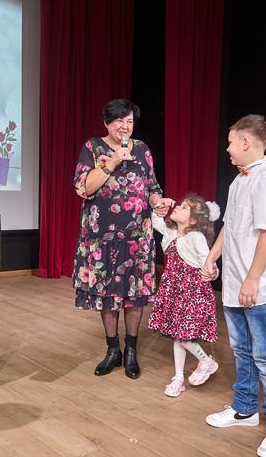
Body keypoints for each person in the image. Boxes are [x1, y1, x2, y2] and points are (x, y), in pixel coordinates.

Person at [201, 114, 266, 457]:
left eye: (230, 142)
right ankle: (244, 409)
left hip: (260, 287)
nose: (227, 148)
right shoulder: (239, 181)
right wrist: (212, 257)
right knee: (242, 351)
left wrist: (252, 279)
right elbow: (229, 226)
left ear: (245, 142)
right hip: (235, 283)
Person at [72, 99, 167, 379]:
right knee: (108, 293)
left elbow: (152, 186)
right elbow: (82, 188)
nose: (124, 126)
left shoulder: (142, 149)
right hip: (102, 237)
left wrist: (157, 202)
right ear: (106, 123)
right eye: (119, 121)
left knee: (134, 293)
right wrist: (112, 161)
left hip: (138, 236)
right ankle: (113, 350)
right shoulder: (93, 147)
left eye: (129, 121)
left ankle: (131, 350)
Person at [148, 194, 221, 397]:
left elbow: (209, 262)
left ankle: (206, 361)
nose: (178, 207)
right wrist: (160, 205)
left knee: (182, 335)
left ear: (193, 220)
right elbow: (156, 221)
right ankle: (178, 377)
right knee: (177, 333)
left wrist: (213, 273)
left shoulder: (196, 237)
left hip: (192, 292)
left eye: (183, 207)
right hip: (173, 290)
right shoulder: (171, 231)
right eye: (179, 205)